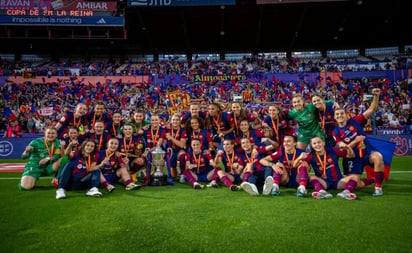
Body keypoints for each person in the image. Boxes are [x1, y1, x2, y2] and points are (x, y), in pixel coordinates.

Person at [332, 88, 386, 196]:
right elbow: (343, 148)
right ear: (334, 117)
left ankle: (378, 189)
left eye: (341, 113)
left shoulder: (356, 121)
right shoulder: (335, 132)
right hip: (352, 157)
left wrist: (376, 96)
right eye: (337, 114)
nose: (339, 116)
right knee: (354, 183)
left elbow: (371, 110)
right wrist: (355, 141)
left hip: (366, 152)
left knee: (378, 157)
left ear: (346, 114)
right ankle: (372, 180)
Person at [294, 136, 358, 200]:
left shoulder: (332, 150)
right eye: (314, 143)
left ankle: (346, 192)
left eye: (319, 142)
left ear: (323, 143)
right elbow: (295, 165)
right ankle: (322, 192)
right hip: (324, 182)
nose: (317, 145)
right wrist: (299, 158)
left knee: (355, 177)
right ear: (311, 146)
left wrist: (348, 148)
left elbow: (351, 156)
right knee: (311, 176)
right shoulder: (310, 155)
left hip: (338, 181)